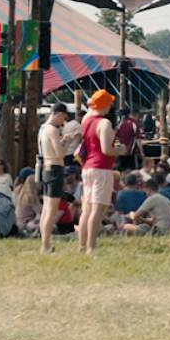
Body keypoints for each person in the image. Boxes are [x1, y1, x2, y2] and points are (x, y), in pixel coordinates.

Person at [76, 89, 123, 255]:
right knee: (97, 209)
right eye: (109, 103)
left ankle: (82, 246)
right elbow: (106, 149)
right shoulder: (104, 123)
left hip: (87, 167)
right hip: (101, 168)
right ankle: (91, 247)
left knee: (87, 209)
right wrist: (120, 150)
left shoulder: (86, 120)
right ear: (105, 104)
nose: (111, 106)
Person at [37, 102, 72, 255]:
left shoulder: (43, 128)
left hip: (46, 168)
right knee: (51, 210)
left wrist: (62, 140)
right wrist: (65, 142)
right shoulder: (52, 130)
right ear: (58, 114)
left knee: (46, 209)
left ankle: (45, 243)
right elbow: (60, 153)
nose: (63, 121)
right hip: (54, 168)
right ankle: (45, 245)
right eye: (63, 117)